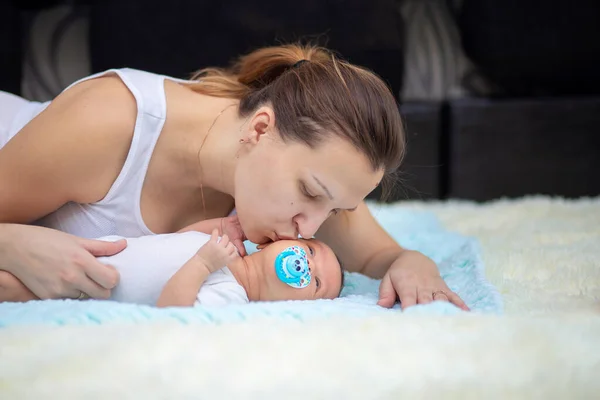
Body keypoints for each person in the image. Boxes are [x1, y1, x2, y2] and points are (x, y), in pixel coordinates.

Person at [0, 43, 468, 311]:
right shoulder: (110, 122)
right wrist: (11, 243)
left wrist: (413, 264)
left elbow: (387, 254)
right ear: (260, 128)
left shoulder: (306, 185)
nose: (310, 228)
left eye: (335, 210)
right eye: (310, 193)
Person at [0, 217, 344, 307]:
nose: (308, 266)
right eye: (311, 252)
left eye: (316, 284)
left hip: (86, 289)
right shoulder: (229, 247)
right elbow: (179, 238)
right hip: (94, 250)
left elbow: (172, 308)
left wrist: (204, 265)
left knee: (8, 286)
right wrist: (217, 228)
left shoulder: (231, 295)